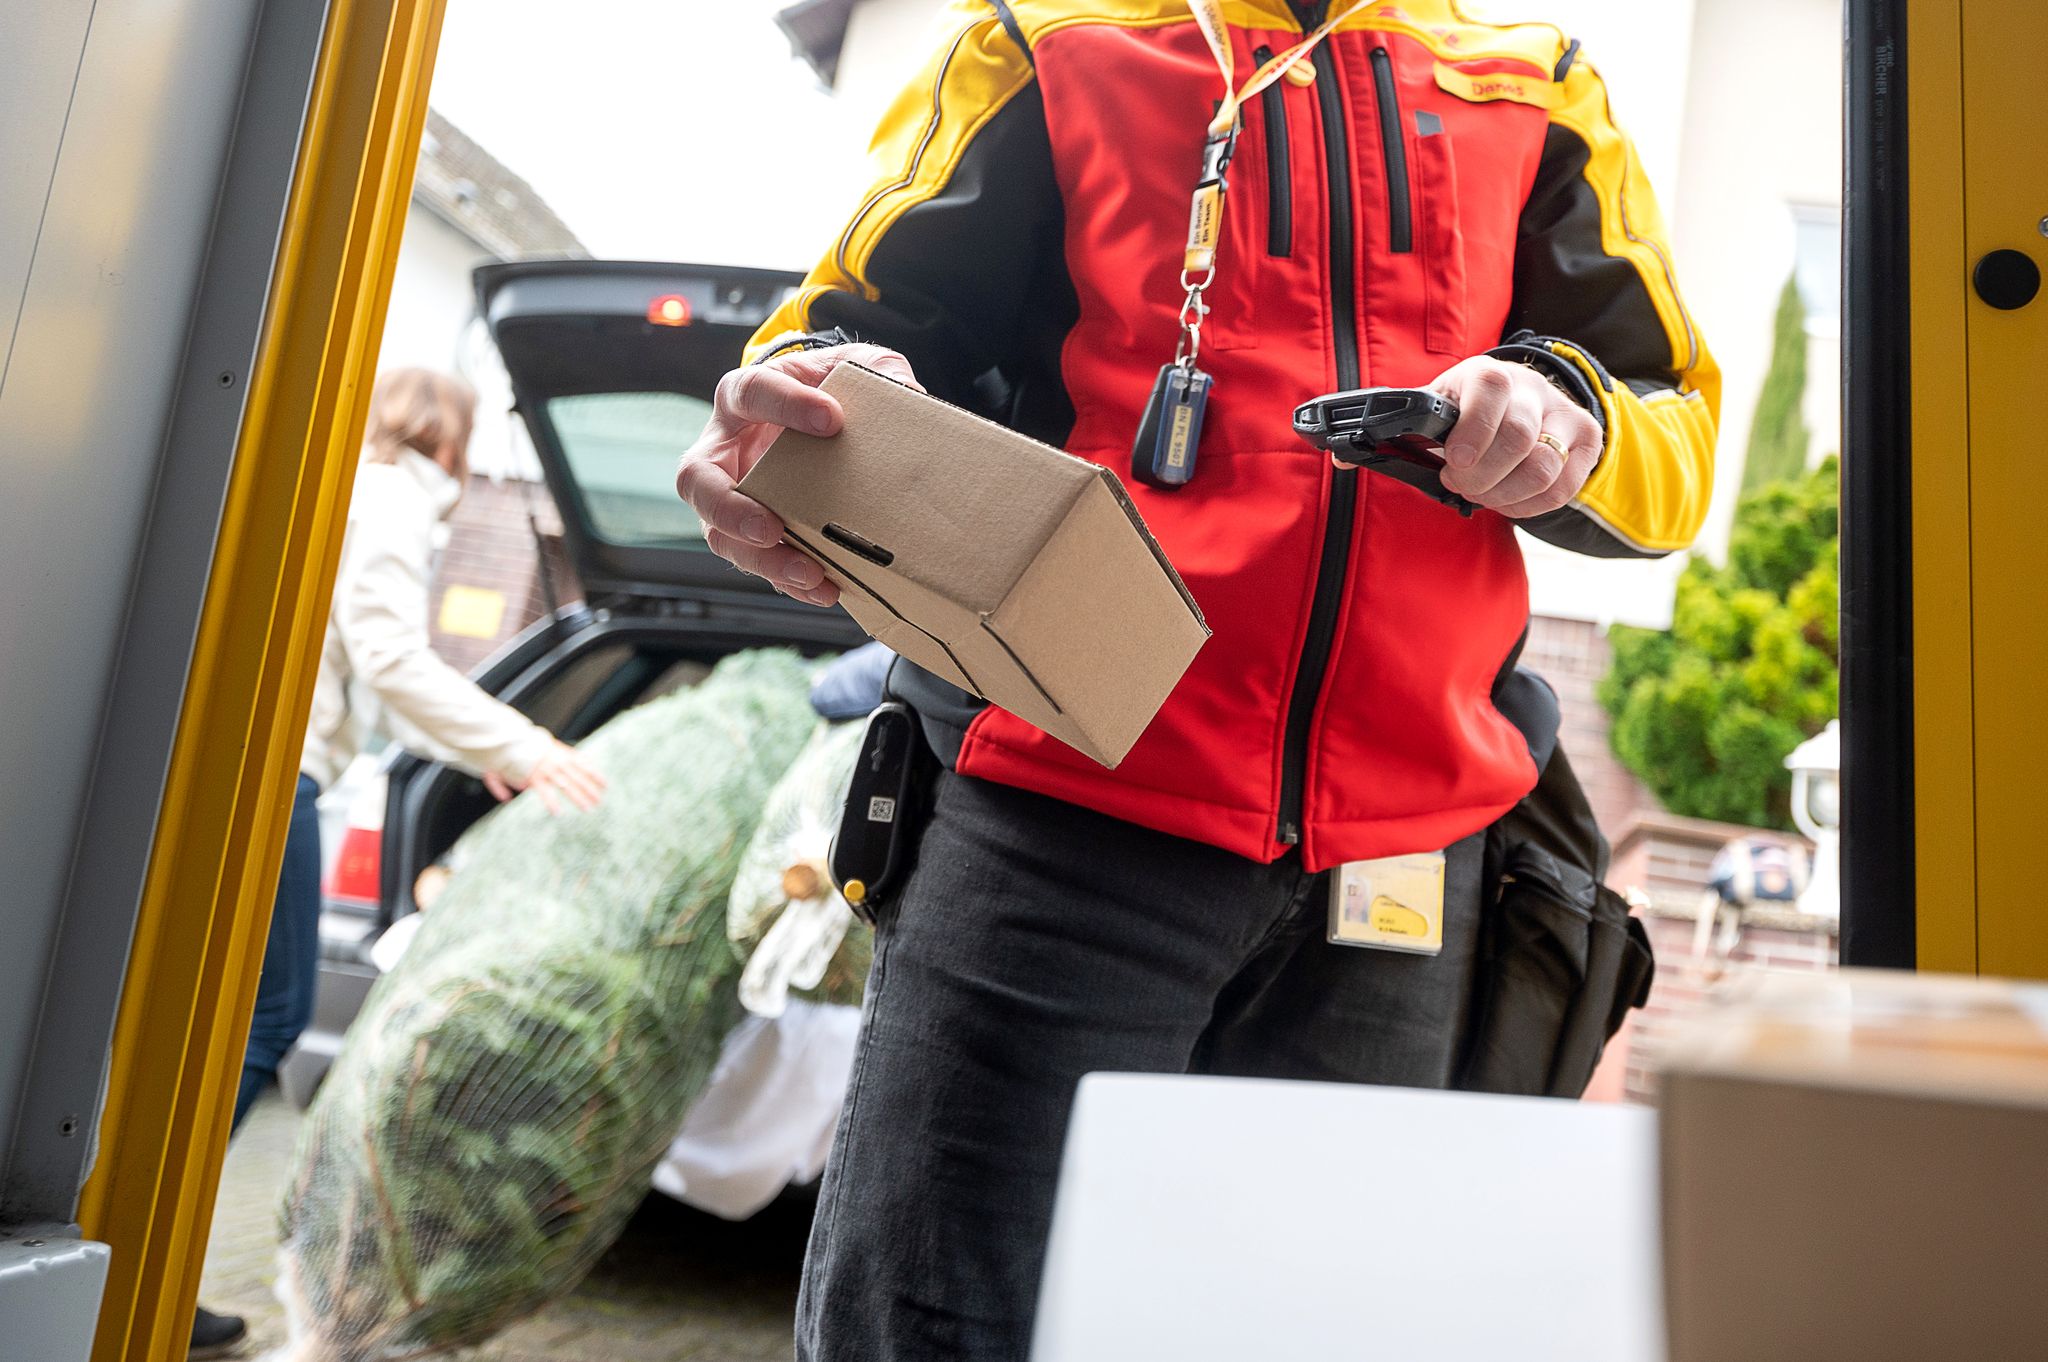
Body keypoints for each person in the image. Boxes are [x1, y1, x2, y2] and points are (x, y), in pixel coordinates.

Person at [677, 3, 1718, 1358]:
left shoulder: (1535, 83)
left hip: (1402, 875)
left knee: (1308, 1333)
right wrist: (800, 409)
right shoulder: (1048, 39)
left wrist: (1565, 409)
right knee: (939, 1326)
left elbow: (1673, 434)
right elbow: (838, 342)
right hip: (1059, 828)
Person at [193, 369, 606, 1358]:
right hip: (276, 774)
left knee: (218, 1019)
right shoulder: (391, 498)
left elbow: (368, 680)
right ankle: (141, 1237)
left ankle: (141, 1236)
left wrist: (479, 749)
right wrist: (520, 745)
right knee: (269, 1017)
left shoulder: (341, 486)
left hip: (246, 761)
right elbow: (384, 658)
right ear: (451, 444)